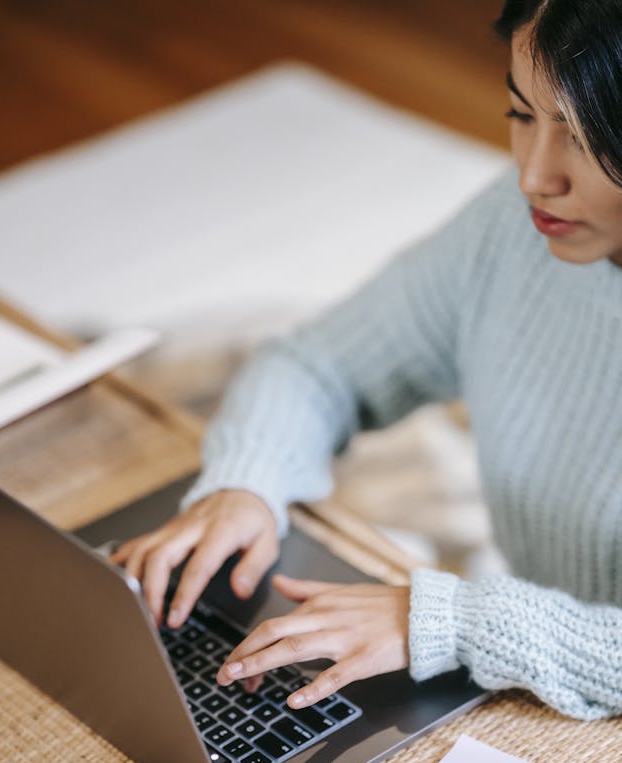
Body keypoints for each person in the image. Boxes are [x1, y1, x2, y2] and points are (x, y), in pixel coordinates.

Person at [113, 0, 622, 721]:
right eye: (520, 115)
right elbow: (318, 363)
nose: (534, 176)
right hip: (525, 663)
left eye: (584, 134)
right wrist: (246, 481)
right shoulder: (513, 233)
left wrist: (448, 621)